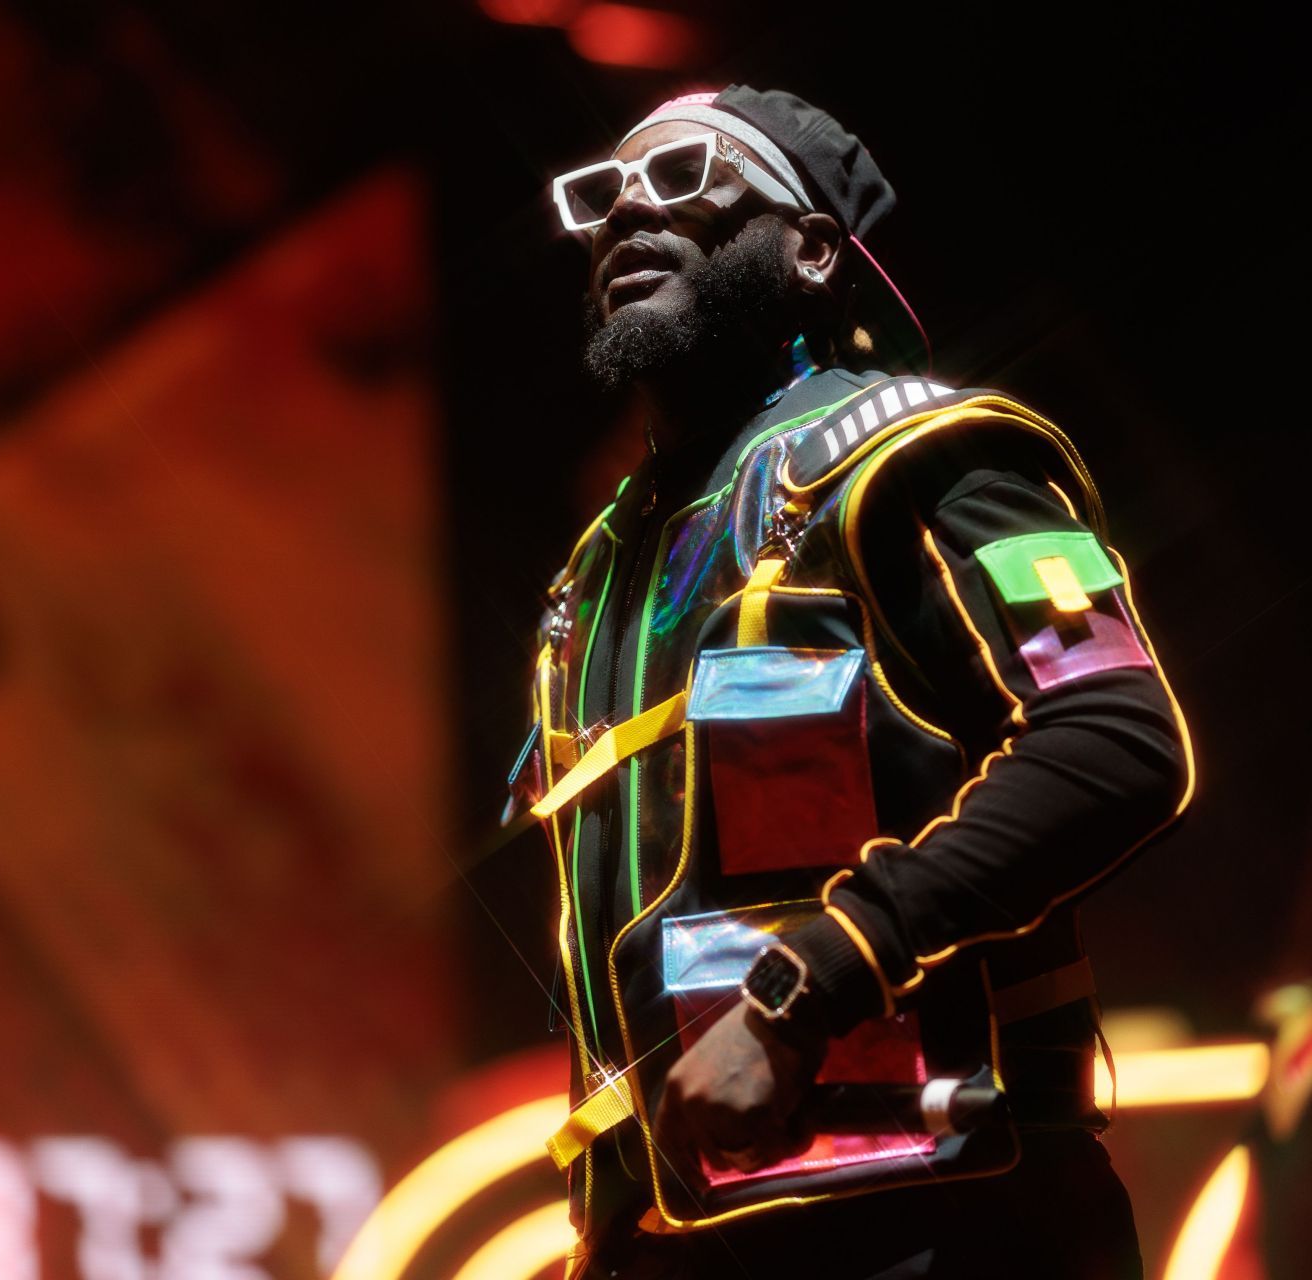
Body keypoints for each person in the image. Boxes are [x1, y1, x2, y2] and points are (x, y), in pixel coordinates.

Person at [510, 86, 1192, 1278]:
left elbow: (1119, 736)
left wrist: (802, 990)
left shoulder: (921, 455)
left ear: (813, 249)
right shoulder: (597, 574)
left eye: (683, 180)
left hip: (939, 1221)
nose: (626, 212)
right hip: (684, 1246)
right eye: (601, 198)